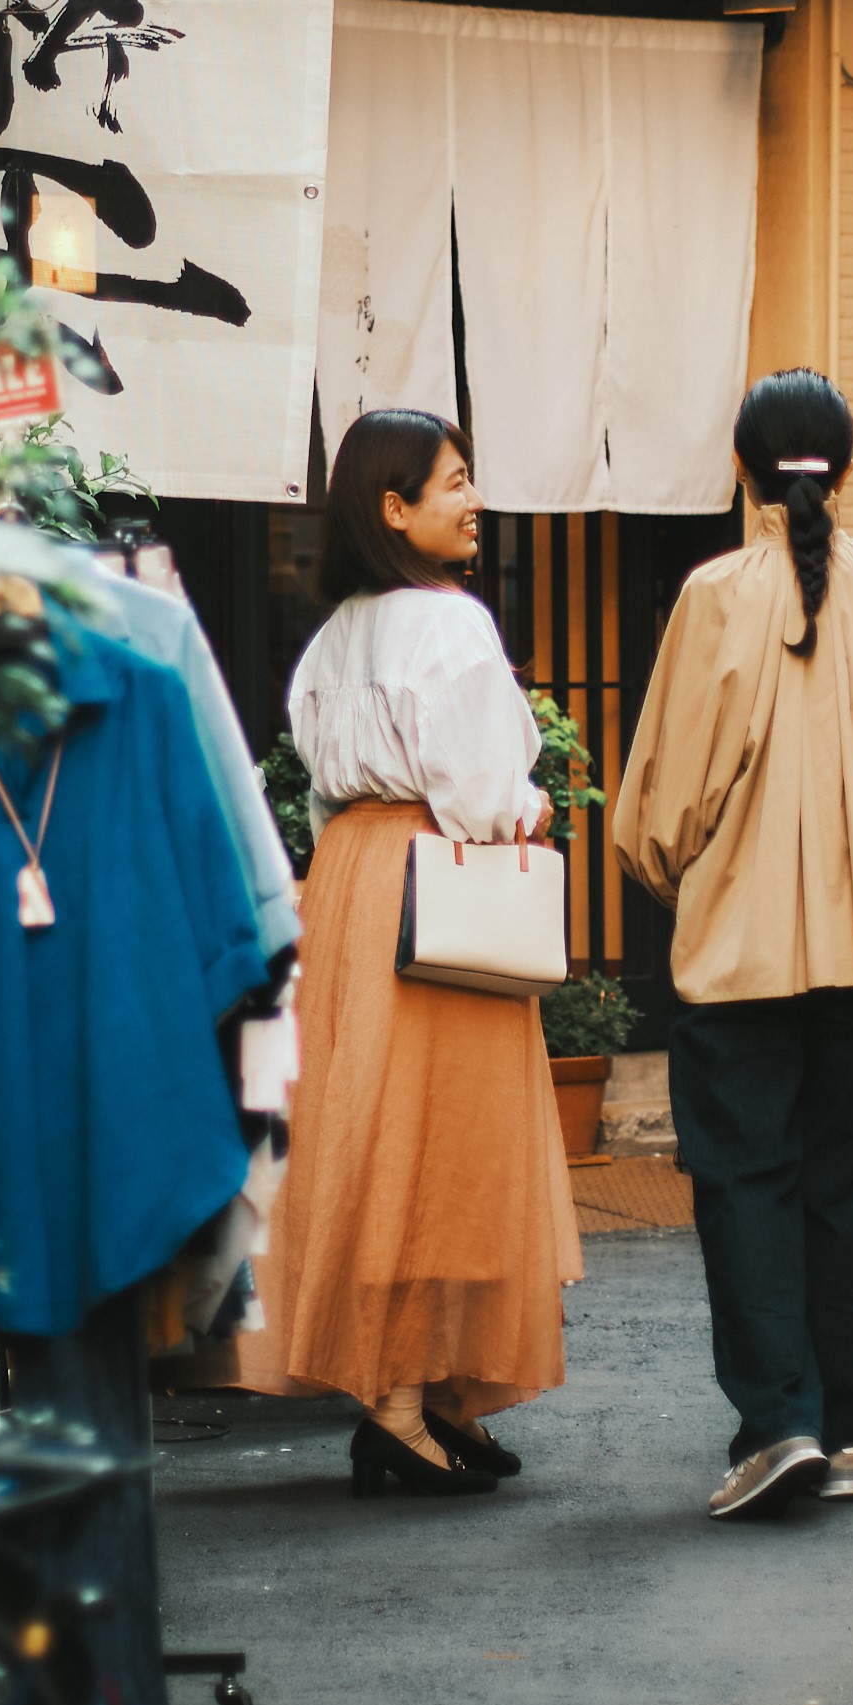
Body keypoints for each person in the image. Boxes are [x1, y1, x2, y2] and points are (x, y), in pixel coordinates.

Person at [610, 371, 853, 1521]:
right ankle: (848, 1432)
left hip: (738, 949)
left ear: (740, 469)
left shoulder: (713, 593)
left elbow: (661, 798)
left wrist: (668, 874)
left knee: (745, 1181)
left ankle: (778, 1420)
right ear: (842, 470)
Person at [244, 408, 586, 1495]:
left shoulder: (336, 630)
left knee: (372, 1132)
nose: (473, 498)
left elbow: (324, 779)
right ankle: (407, 1399)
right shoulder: (450, 624)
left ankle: (420, 1394)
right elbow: (483, 794)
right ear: (394, 507)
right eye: (453, 482)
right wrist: (529, 803)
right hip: (435, 886)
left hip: (349, 881)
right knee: (447, 1145)